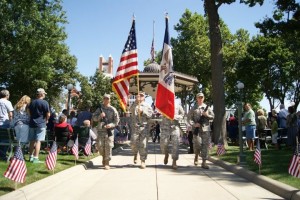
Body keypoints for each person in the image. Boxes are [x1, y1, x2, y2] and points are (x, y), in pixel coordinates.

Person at [187, 92, 214, 169]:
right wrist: (194, 124)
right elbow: (189, 118)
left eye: (202, 97)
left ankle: (204, 162)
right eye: (199, 97)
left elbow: (213, 117)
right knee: (197, 144)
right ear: (196, 98)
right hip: (196, 129)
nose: (200, 99)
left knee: (205, 145)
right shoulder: (194, 108)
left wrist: (207, 115)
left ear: (203, 98)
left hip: (206, 129)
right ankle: (196, 155)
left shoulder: (207, 107)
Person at [92, 94, 119, 170]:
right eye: (105, 98)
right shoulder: (99, 109)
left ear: (110, 100)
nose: (106, 100)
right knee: (100, 146)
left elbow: (116, 121)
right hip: (100, 130)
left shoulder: (113, 109)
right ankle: (103, 157)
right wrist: (100, 116)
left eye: (108, 98)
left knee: (108, 146)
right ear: (103, 99)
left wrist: (110, 125)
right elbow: (94, 118)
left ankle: (107, 162)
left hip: (109, 131)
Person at [129, 91, 153, 169]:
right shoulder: (134, 105)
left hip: (144, 128)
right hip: (135, 127)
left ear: (144, 97)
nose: (140, 97)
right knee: (133, 143)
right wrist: (136, 102)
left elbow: (150, 115)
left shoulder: (147, 105)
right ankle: (135, 153)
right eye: (138, 95)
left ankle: (143, 161)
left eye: (141, 96)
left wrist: (143, 112)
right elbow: (130, 111)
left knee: (143, 144)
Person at [28, 88, 50, 163]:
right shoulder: (44, 102)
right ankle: (35, 158)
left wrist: (31, 117)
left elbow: (28, 111)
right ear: (41, 94)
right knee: (38, 141)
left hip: (32, 123)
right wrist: (47, 120)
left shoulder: (32, 102)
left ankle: (30, 156)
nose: (44, 95)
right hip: (41, 124)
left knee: (32, 141)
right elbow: (48, 113)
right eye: (44, 94)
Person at [160, 104, 184, 169]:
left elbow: (182, 115)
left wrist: (174, 116)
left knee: (175, 144)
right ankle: (166, 154)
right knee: (163, 144)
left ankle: (174, 161)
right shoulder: (163, 104)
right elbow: (159, 113)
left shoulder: (178, 106)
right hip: (165, 127)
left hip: (175, 127)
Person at [0, 89, 14, 161]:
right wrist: (11, 122)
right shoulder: (7, 102)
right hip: (4, 123)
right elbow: (10, 114)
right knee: (6, 140)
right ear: (7, 95)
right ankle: (2, 155)